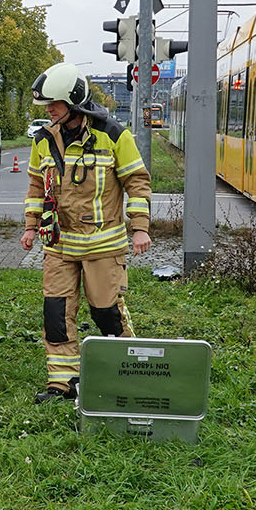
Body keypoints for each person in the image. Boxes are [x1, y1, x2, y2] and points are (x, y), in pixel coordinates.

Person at [19, 62, 151, 404]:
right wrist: (31, 226)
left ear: (73, 101)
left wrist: (139, 229)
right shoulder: (43, 140)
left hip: (103, 245)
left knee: (106, 311)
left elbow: (137, 181)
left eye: (53, 104)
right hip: (59, 245)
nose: (48, 110)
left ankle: (126, 370)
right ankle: (63, 383)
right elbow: (36, 185)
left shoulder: (113, 134)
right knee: (56, 313)